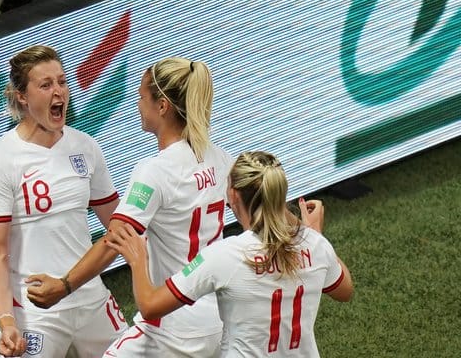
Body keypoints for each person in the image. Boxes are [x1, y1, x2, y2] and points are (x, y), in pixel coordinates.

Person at [26, 57, 325, 356]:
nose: (137, 104)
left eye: (142, 97)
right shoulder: (220, 158)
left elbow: (115, 239)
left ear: (162, 107)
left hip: (171, 324)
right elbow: (268, 205)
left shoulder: (154, 172)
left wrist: (64, 286)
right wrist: (306, 233)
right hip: (216, 320)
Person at [107, 151, 354, 357]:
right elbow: (344, 291)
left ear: (233, 195)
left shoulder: (225, 256)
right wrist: (312, 234)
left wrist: (138, 260)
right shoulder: (315, 244)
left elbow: (150, 306)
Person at [0, 45, 127, 358]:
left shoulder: (85, 147)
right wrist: (6, 321)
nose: (58, 92)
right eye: (45, 85)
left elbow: (120, 226)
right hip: (35, 310)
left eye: (62, 82)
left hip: (90, 298)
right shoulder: (1, 161)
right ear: (22, 97)